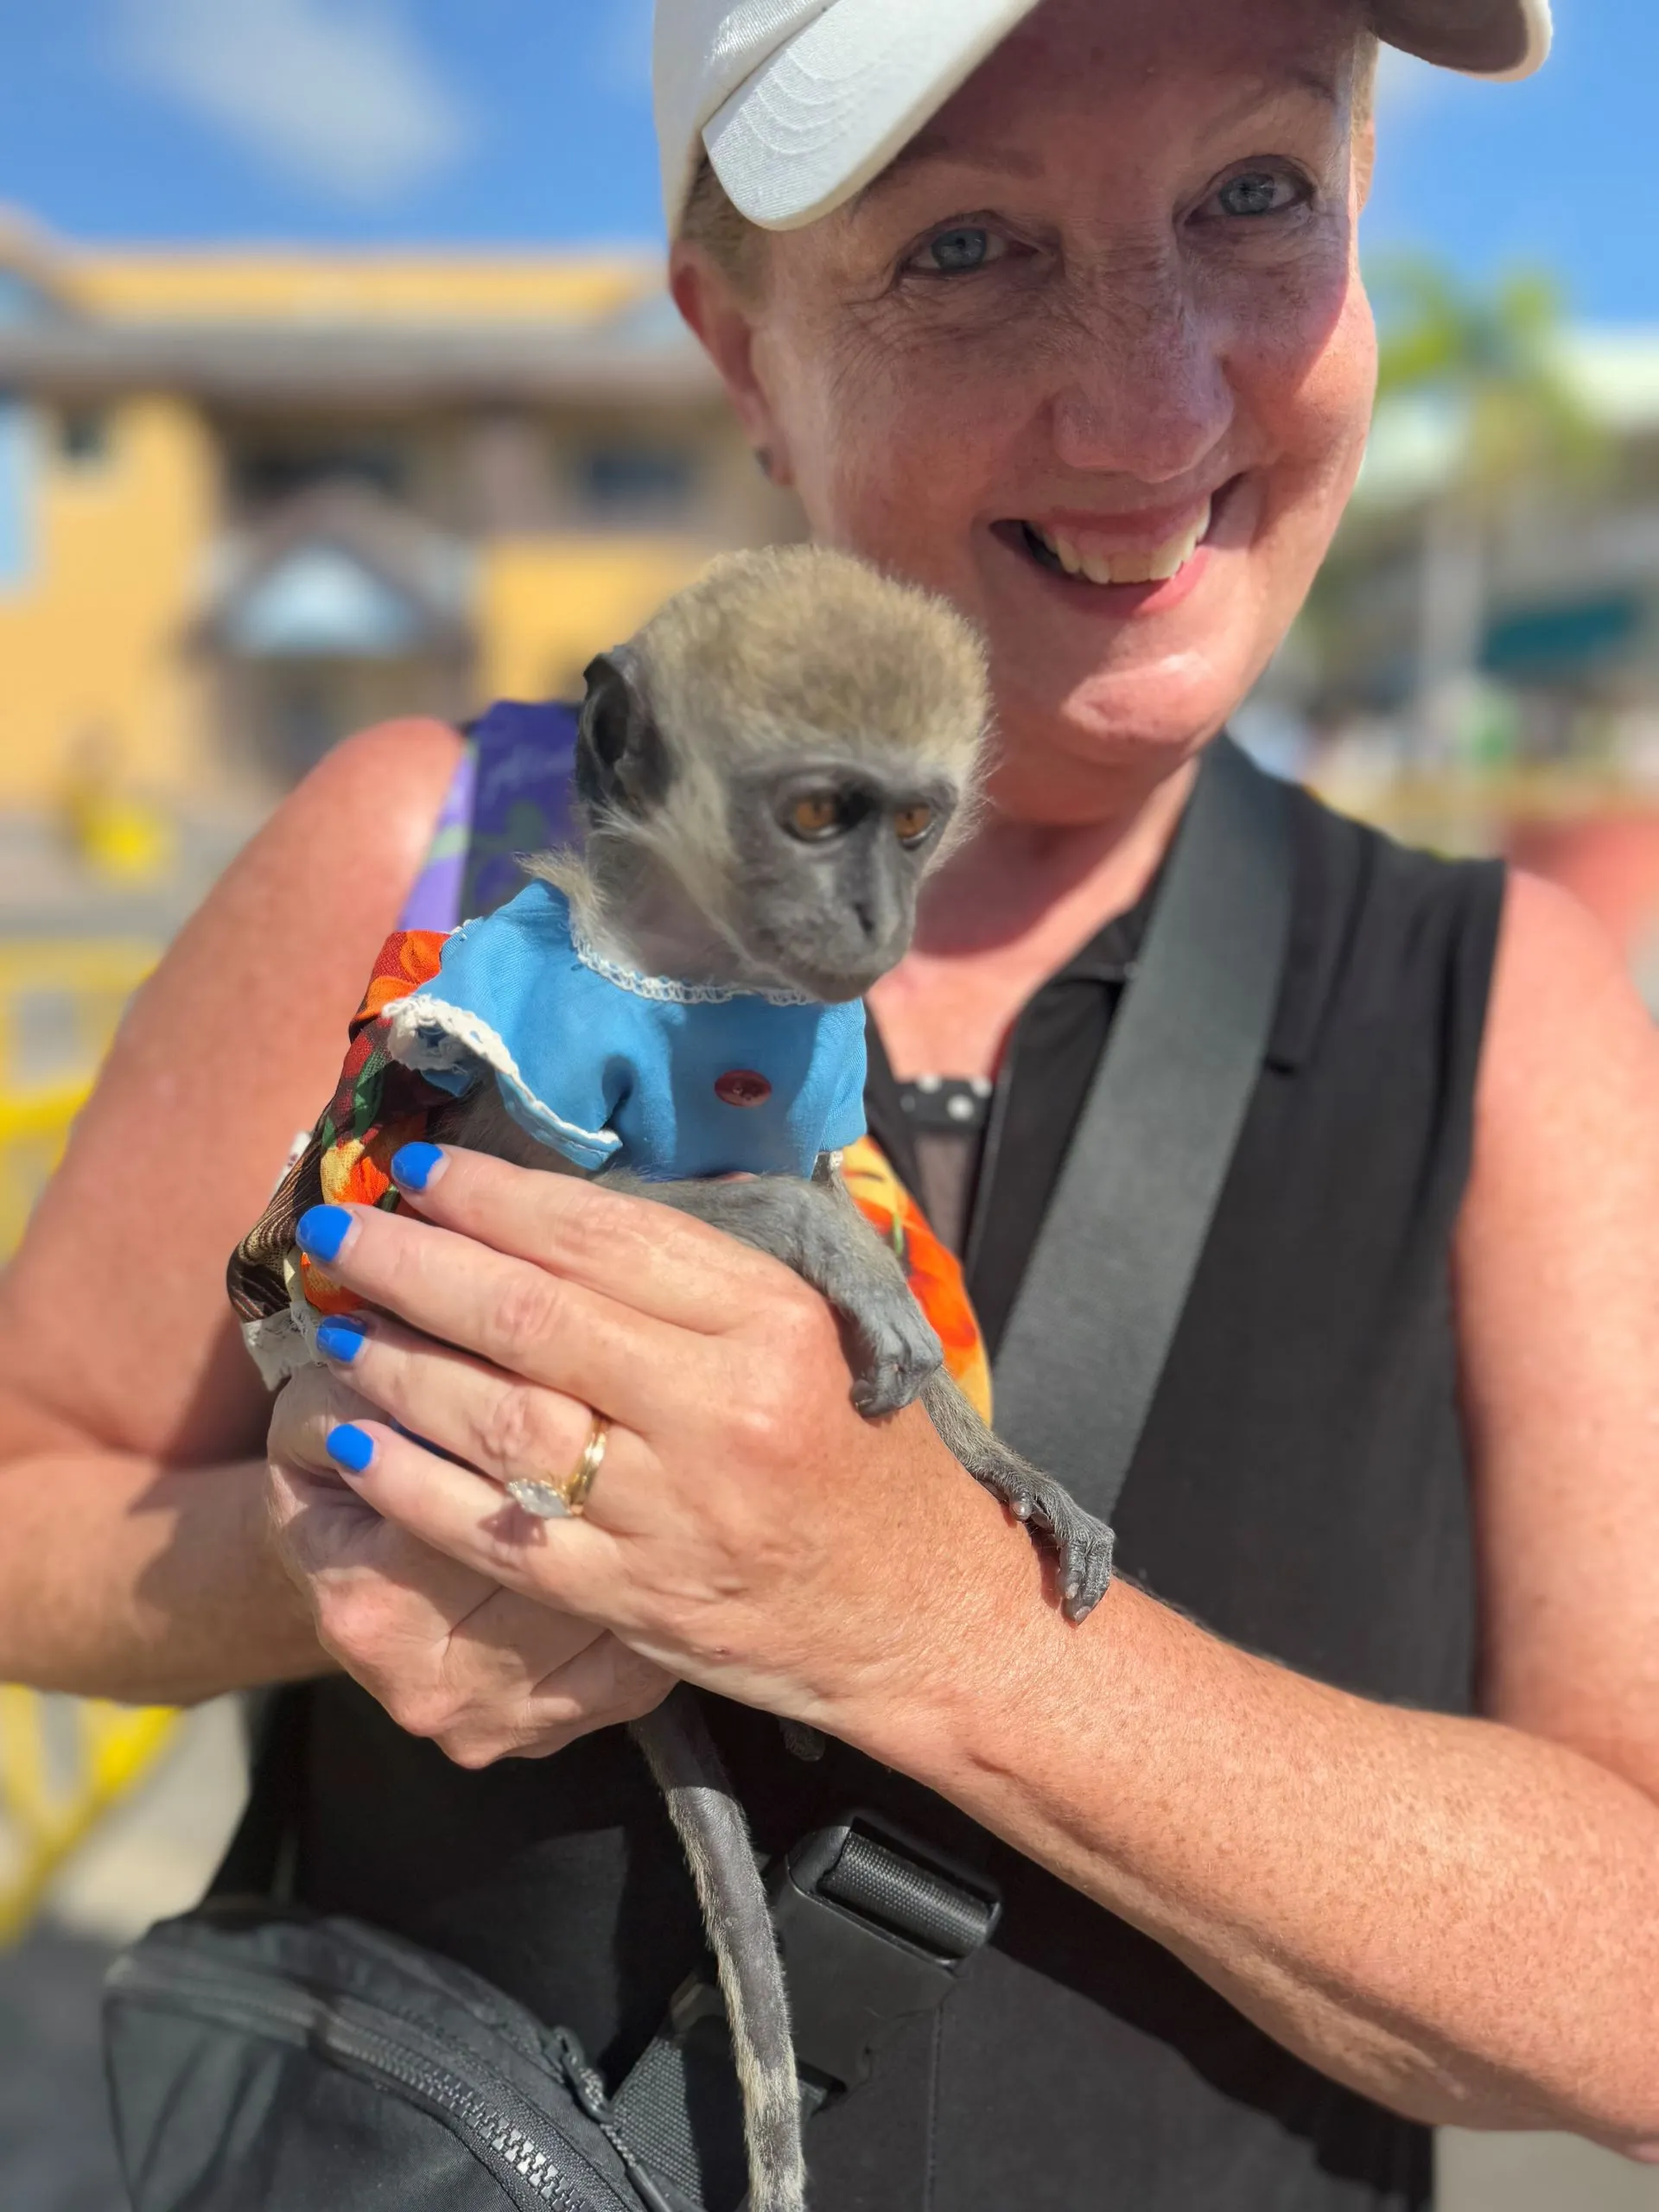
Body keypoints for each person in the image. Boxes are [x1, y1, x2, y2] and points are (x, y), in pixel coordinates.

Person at [3, 0, 1656, 2202]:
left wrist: (935, 1622)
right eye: (964, 245)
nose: (1156, 400)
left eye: (1256, 193)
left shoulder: (1505, 1008)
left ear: (1360, 196)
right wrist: (333, 1537)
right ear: (742, 348)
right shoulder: (433, 865)